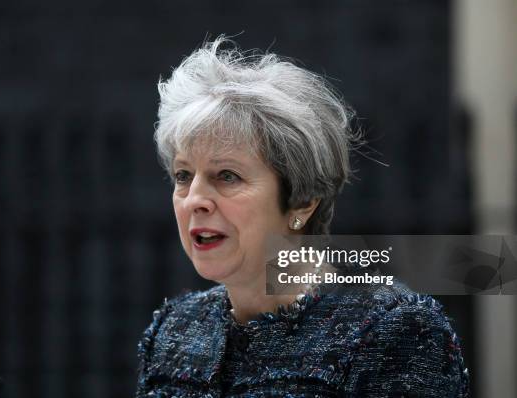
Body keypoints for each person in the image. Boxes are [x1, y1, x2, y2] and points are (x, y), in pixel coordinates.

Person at [136, 37, 470, 397]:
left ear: (303, 201)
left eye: (227, 176)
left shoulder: (396, 331)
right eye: (183, 176)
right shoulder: (175, 331)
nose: (195, 200)